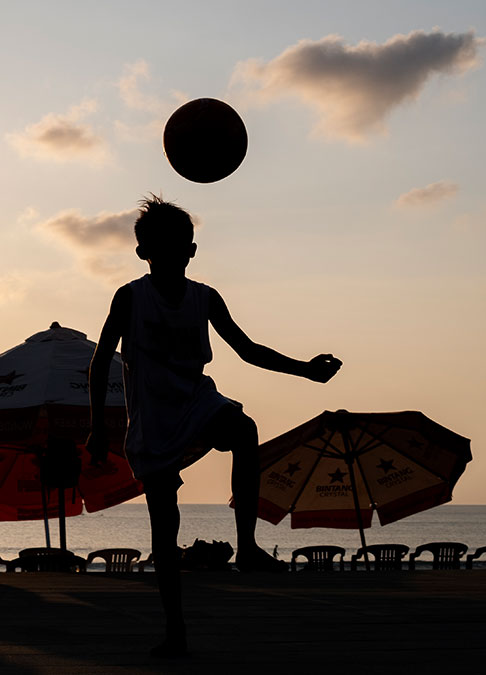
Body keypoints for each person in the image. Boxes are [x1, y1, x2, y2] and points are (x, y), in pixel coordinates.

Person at [86, 195, 341, 657]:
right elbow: (101, 360)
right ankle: (175, 630)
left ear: (192, 250)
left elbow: (248, 349)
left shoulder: (204, 297)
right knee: (165, 530)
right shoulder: (130, 297)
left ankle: (247, 546)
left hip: (197, 402)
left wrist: (305, 370)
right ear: (143, 253)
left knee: (243, 429)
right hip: (152, 422)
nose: (172, 254)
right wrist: (98, 428)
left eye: (179, 245)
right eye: (161, 247)